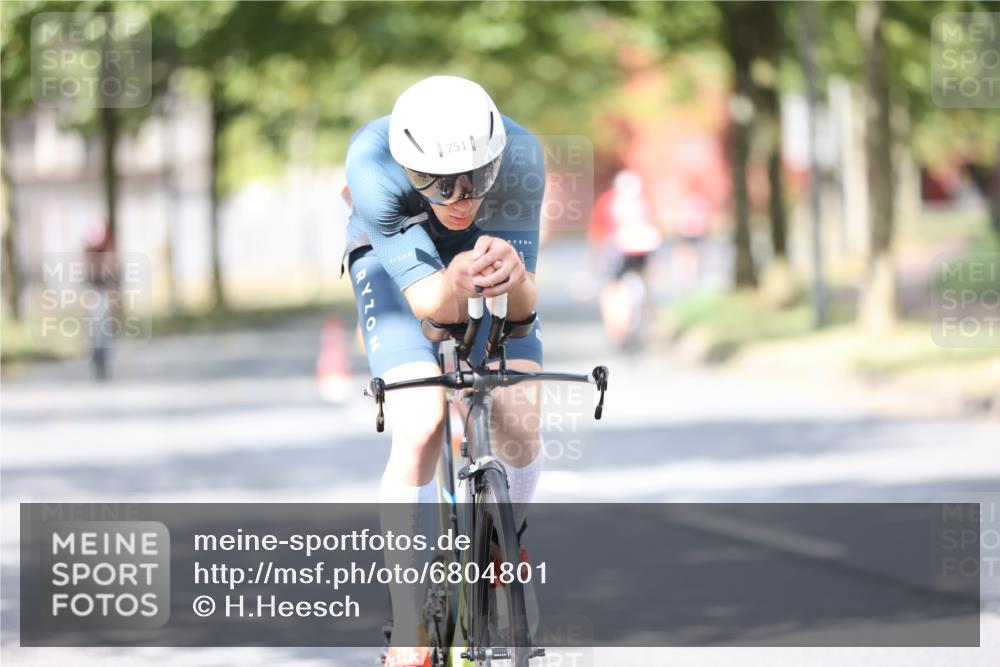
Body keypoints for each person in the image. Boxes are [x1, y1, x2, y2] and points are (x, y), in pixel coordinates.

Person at [341, 76, 545, 667]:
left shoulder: (522, 156)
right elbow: (432, 306)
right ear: (409, 167)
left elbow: (524, 313)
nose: (459, 197)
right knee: (424, 418)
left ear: (496, 159)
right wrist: (453, 285)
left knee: (516, 414)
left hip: (486, 250)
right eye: (436, 182)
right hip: (392, 257)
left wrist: (517, 277)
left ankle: (507, 542)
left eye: (476, 179)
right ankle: (409, 619)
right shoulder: (373, 159)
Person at [587, 169, 662, 349]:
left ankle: (617, 328)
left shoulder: (608, 200)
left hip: (619, 248)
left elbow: (597, 231)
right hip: (644, 248)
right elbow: (656, 227)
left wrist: (594, 257)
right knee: (646, 282)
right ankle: (646, 319)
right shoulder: (643, 201)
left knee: (611, 289)